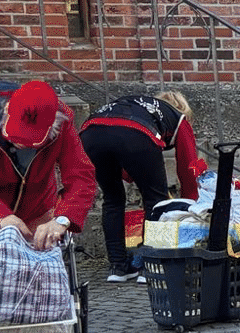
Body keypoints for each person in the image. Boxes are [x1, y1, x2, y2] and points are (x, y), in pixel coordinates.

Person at [0, 80, 98, 333]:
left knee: (44, 281)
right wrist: (2, 217)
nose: (25, 145)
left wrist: (62, 219)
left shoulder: (61, 123)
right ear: (7, 110)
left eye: (33, 141)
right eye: (19, 138)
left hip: (39, 208)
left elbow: (81, 176)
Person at [79, 91, 207, 282]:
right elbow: (188, 165)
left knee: (112, 199)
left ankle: (118, 267)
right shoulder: (178, 117)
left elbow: (119, 142)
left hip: (90, 133)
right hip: (136, 135)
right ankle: (151, 265)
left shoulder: (134, 103)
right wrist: (191, 201)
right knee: (156, 201)